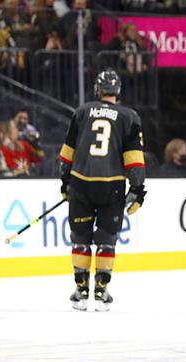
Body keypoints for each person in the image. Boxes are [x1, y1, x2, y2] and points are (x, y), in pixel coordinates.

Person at [59, 69, 146, 312]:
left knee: (81, 238)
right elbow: (135, 160)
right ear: (118, 92)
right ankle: (101, 290)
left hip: (81, 183)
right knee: (107, 240)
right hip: (112, 185)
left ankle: (81, 290)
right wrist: (138, 189)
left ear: (98, 90)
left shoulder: (82, 111)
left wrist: (65, 183)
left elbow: (66, 154)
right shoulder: (129, 117)